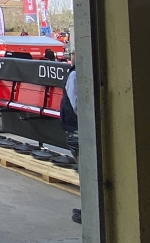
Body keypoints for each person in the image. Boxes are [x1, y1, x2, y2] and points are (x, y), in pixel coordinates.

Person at [60, 56, 81, 224]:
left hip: (76, 128)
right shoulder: (76, 74)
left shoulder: (74, 75)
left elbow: (76, 105)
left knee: (85, 170)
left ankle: (88, 208)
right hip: (77, 127)